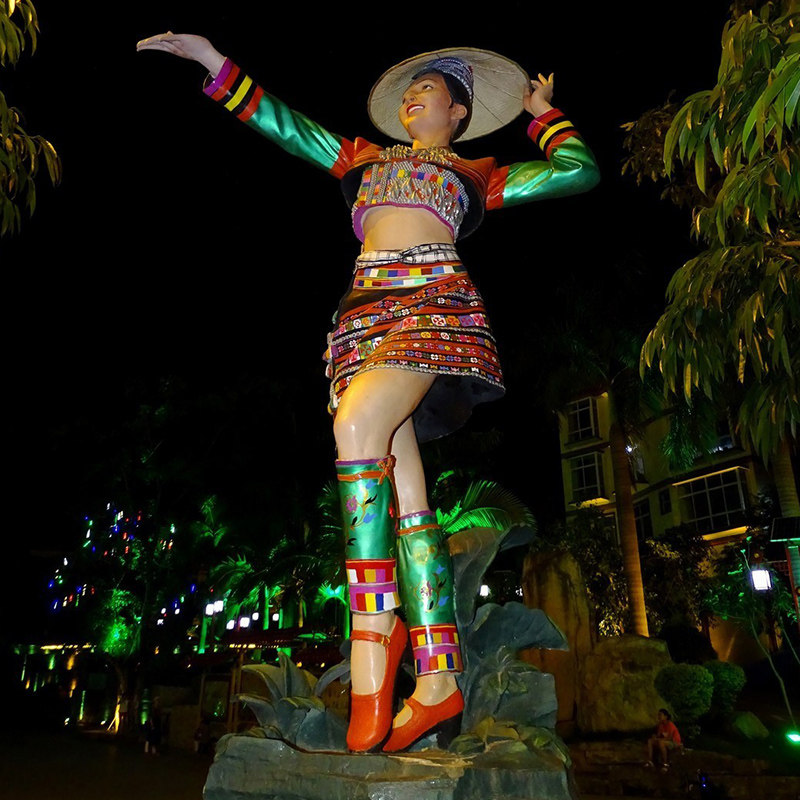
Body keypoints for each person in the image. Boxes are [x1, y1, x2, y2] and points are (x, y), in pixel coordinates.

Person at [136, 34, 600, 753]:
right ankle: (439, 680)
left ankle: (373, 629)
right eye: (408, 92)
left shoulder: (477, 172)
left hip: (432, 302)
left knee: (355, 428)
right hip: (360, 317)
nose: (414, 99)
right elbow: (286, 126)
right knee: (409, 495)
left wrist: (544, 114)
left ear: (458, 112)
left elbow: (578, 172)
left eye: (428, 90)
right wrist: (212, 62)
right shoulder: (364, 158)